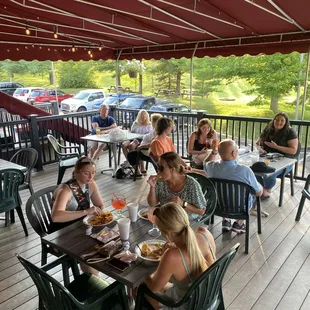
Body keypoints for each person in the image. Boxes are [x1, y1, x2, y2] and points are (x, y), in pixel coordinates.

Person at [142, 202, 216, 310]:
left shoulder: (172, 256)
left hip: (187, 305)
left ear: (168, 233)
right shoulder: (204, 233)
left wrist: (141, 272)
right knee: (166, 283)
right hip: (209, 299)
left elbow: (153, 287)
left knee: (139, 288)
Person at [51, 156, 105, 276]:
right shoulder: (66, 190)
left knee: (108, 240)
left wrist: (97, 214)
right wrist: (86, 212)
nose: (91, 177)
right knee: (88, 250)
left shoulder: (90, 184)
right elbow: (56, 216)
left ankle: (97, 280)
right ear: (76, 173)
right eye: (86, 173)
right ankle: (96, 285)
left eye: (93, 173)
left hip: (80, 228)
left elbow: (100, 205)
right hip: (61, 233)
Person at [204, 139, 263, 233]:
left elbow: (205, 163)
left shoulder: (212, 167)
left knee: (224, 194)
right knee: (255, 198)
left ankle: (226, 221)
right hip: (240, 209)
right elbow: (258, 192)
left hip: (218, 206)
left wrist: (214, 152)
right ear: (234, 153)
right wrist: (260, 187)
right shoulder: (245, 171)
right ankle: (239, 223)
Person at [147, 152, 206, 220]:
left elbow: (201, 211)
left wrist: (183, 204)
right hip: (167, 219)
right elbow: (152, 204)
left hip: (186, 222)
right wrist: (152, 187)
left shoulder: (191, 184)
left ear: (172, 169)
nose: (158, 171)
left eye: (161, 168)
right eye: (157, 166)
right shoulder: (160, 182)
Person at [256, 112, 300, 198]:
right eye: (277, 119)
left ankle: (266, 190)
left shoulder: (290, 132)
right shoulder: (268, 129)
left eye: (282, 120)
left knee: (270, 173)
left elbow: (293, 151)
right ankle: (262, 190)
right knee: (253, 169)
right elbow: (257, 143)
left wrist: (276, 147)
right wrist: (260, 149)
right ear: (273, 120)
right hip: (268, 158)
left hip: (286, 161)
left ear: (286, 122)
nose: (278, 122)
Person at [127, 113, 162, 177]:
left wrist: (141, 146)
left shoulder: (156, 132)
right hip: (148, 150)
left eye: (151, 120)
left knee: (130, 155)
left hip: (147, 152)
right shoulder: (158, 130)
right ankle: (141, 169)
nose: (151, 122)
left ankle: (138, 173)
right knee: (133, 147)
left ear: (154, 122)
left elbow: (153, 143)